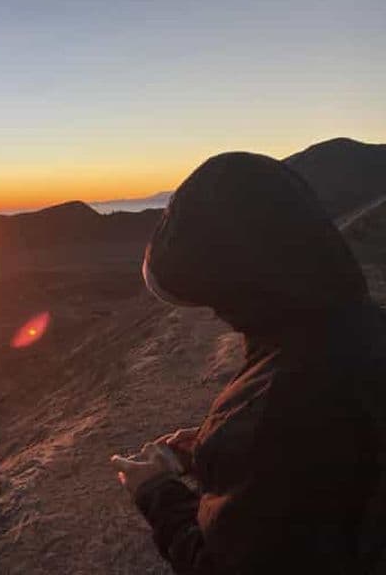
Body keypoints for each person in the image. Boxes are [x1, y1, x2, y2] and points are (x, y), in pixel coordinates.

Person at [111, 152, 386, 574]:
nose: (217, 317)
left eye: (218, 302)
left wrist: (155, 492)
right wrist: (215, 446)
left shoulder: (279, 407)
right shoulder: (357, 326)